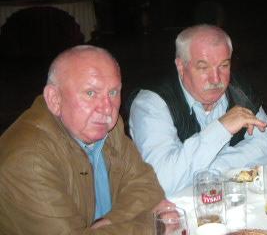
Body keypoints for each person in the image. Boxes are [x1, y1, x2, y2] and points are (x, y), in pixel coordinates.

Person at [0, 45, 165, 234]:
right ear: (54, 99)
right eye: (90, 93)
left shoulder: (108, 129)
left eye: (113, 92)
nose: (107, 109)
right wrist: (153, 226)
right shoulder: (29, 160)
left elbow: (147, 186)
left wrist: (108, 222)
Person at [129, 25, 267, 196]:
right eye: (203, 67)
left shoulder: (238, 89)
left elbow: (266, 143)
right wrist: (222, 128)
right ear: (180, 66)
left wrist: (211, 170)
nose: (216, 79)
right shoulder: (151, 104)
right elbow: (163, 182)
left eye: (224, 65)